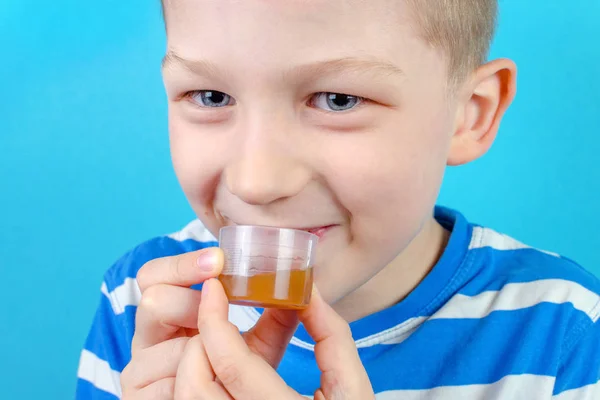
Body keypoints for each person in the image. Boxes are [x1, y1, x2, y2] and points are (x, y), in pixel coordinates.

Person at [76, 0, 600, 398]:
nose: (255, 182)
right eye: (211, 96)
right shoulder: (145, 303)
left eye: (338, 100)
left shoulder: (564, 330)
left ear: (469, 114)